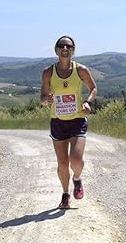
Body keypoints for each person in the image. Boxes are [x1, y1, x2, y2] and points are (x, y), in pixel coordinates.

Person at [40, 35, 97, 209]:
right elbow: (42, 98)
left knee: (76, 160)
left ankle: (77, 179)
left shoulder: (81, 70)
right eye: (62, 46)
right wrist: (46, 100)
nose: (65, 49)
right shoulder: (48, 72)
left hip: (77, 120)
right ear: (56, 50)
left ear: (73, 50)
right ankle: (65, 194)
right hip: (58, 121)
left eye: (69, 46)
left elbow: (93, 88)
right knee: (63, 163)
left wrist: (88, 102)